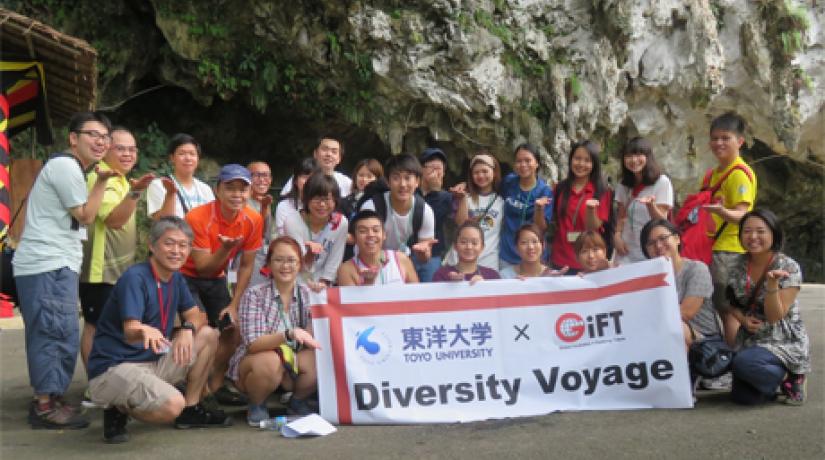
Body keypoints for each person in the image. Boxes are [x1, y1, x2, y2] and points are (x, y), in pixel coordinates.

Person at [13, 111, 117, 429]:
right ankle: (44, 406)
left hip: (56, 263)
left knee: (63, 330)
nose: (101, 142)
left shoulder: (72, 169)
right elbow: (85, 215)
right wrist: (101, 181)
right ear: (73, 138)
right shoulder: (65, 166)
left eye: (105, 137)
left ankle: (53, 398)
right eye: (93, 135)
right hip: (48, 263)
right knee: (51, 331)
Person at [87, 217, 231, 443]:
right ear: (152, 246)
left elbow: (195, 314)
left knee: (209, 335)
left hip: (153, 361)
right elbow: (130, 330)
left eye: (183, 245)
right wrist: (145, 330)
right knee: (172, 404)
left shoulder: (176, 278)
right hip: (116, 367)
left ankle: (191, 410)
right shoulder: (136, 277)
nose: (176, 251)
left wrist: (186, 328)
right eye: (169, 243)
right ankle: (117, 407)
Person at [182, 164, 263, 405]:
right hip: (186, 276)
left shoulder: (253, 218)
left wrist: (235, 304)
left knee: (231, 328)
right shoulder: (198, 216)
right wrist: (226, 249)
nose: (237, 194)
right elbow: (202, 266)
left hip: (217, 277)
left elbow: (247, 265)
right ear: (217, 190)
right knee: (199, 327)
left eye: (242, 189)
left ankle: (215, 385)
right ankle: (195, 388)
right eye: (230, 188)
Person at [79, 127, 155, 370]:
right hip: (99, 270)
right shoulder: (104, 177)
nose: (128, 154)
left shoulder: (120, 179)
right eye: (120, 148)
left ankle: (105, 377)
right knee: (96, 325)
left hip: (117, 270)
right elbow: (114, 220)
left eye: (132, 149)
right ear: (107, 150)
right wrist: (136, 192)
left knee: (109, 324)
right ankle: (95, 381)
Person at [228, 236, 322, 425]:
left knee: (321, 357)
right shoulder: (254, 294)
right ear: (269, 264)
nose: (285, 266)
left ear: (300, 264)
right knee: (270, 361)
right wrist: (288, 334)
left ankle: (297, 401)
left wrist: (323, 301)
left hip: (293, 360)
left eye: (291, 260)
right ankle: (257, 403)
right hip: (258, 361)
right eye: (278, 260)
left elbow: (317, 334)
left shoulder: (308, 293)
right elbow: (253, 344)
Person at [724, 209, 808, 405]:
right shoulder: (736, 265)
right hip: (750, 339)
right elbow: (729, 303)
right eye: (747, 231)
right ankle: (769, 383)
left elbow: (774, 316)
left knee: (744, 364)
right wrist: (742, 319)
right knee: (743, 398)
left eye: (760, 231)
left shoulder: (789, 266)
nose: (753, 237)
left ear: (773, 234)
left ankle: (793, 377)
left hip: (781, 340)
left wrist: (771, 285)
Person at [701, 113, 757, 345]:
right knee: (718, 308)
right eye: (715, 138)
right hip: (712, 247)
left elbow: (743, 215)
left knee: (729, 311)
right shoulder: (713, 174)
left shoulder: (739, 174)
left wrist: (722, 212)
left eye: (726, 138)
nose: (719, 143)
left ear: (740, 141)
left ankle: (734, 362)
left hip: (730, 250)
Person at [641, 219, 721, 350]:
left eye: (663, 238)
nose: (658, 246)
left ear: (677, 239)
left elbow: (685, 313)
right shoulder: (646, 278)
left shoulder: (697, 269)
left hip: (704, 341)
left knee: (676, 327)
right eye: (651, 243)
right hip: (663, 335)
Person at [358, 154, 437, 265]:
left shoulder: (424, 211)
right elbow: (363, 248)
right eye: (396, 178)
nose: (402, 184)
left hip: (404, 259)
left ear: (417, 182)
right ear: (388, 181)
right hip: (370, 259)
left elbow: (425, 259)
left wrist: (423, 253)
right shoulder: (372, 207)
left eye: (407, 178)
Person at [550, 140, 612, 275]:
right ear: (571, 160)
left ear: (594, 164)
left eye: (587, 160)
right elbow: (554, 218)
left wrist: (590, 210)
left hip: (589, 260)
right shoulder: (560, 188)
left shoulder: (601, 191)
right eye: (577, 158)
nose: (581, 164)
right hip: (560, 257)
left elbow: (595, 226)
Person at [284, 171, 348, 290]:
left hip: (324, 284)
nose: (322, 205)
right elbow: (298, 264)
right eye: (317, 199)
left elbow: (335, 258)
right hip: (296, 282)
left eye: (327, 199)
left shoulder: (341, 223)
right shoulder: (292, 222)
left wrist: (325, 282)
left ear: (335, 201)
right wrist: (310, 254)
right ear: (307, 199)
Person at [613, 137, 673, 265]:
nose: (634, 160)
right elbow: (621, 216)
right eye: (628, 156)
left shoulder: (661, 182)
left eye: (639, 154)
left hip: (651, 249)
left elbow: (662, 221)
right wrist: (617, 236)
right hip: (626, 249)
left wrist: (651, 205)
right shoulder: (624, 185)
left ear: (648, 157)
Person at [500, 143, 554, 270]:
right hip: (508, 253)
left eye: (528, 160)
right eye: (519, 161)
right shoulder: (508, 182)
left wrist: (539, 208)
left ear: (537, 163)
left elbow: (541, 227)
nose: (523, 165)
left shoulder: (544, 191)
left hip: (533, 254)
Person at [447, 151, 503, 270]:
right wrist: (462, 199)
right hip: (460, 258)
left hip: (488, 259)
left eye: (485, 171)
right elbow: (461, 224)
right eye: (476, 172)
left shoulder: (501, 200)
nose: (481, 176)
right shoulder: (463, 195)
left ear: (494, 172)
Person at [337, 210, 419, 286]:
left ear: (384, 235)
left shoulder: (401, 259)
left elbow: (417, 296)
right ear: (354, 238)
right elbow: (352, 301)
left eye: (376, 230)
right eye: (363, 231)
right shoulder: (346, 269)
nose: (370, 235)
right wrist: (368, 283)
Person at [146, 133, 215, 219]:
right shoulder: (159, 185)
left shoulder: (205, 189)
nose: (188, 158)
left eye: (192, 154)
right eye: (182, 153)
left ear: (198, 158)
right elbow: (160, 221)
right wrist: (170, 194)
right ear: (172, 158)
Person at [417, 148, 453, 282]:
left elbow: (435, 218)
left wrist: (436, 191)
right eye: (431, 167)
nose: (435, 172)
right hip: (408, 251)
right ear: (421, 170)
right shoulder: (411, 193)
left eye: (439, 168)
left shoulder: (447, 197)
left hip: (433, 254)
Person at [280, 136, 351, 197]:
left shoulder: (346, 183)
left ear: (339, 159)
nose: (329, 154)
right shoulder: (301, 178)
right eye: (325, 149)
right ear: (315, 153)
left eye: (334, 152)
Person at [432, 222, 500, 283]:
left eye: (474, 243)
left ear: (482, 248)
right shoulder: (441, 275)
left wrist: (484, 287)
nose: (469, 247)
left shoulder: (492, 276)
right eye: (463, 242)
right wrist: (451, 286)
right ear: (455, 246)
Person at [500, 224, 568, 279]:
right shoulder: (505, 276)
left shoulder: (554, 276)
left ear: (543, 245)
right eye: (524, 242)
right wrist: (513, 285)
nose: (530, 247)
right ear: (516, 248)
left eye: (535, 242)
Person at [246, 161, 275, 287]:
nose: (262, 179)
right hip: (249, 261)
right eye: (257, 175)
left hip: (266, 258)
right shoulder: (242, 202)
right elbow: (257, 234)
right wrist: (263, 209)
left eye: (266, 175)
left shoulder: (264, 201)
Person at [275, 158, 316, 236]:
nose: (309, 181)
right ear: (295, 181)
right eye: (305, 177)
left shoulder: (325, 205)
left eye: (313, 177)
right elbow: (283, 237)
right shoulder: (284, 206)